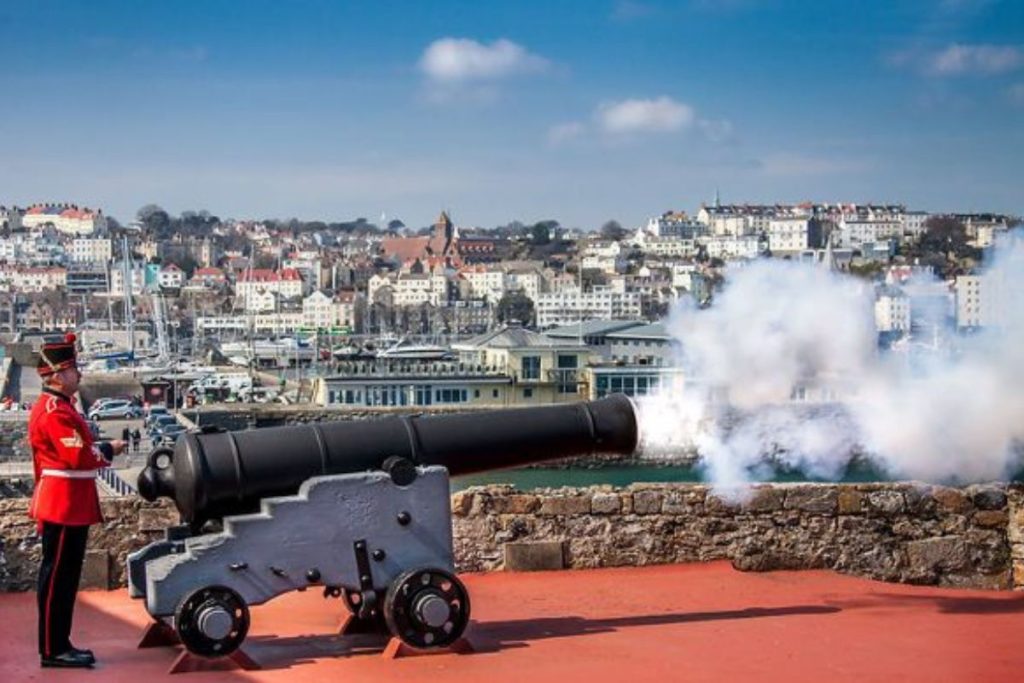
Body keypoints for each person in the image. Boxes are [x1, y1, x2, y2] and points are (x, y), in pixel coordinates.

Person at [28, 333, 126, 669]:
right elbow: (76, 457)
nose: (79, 375)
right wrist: (108, 449)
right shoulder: (55, 411)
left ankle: (59, 643)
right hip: (63, 503)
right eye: (72, 370)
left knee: (65, 576)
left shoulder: (62, 407)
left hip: (70, 501)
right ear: (55, 374)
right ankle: (53, 648)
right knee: (58, 577)